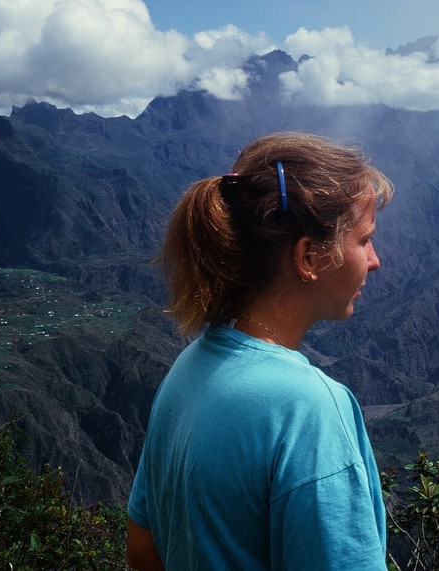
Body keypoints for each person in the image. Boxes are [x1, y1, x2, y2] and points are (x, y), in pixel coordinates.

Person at [126, 132, 394, 570]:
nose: (375, 260)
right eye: (364, 240)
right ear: (308, 258)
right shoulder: (309, 410)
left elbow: (142, 551)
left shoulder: (188, 369)